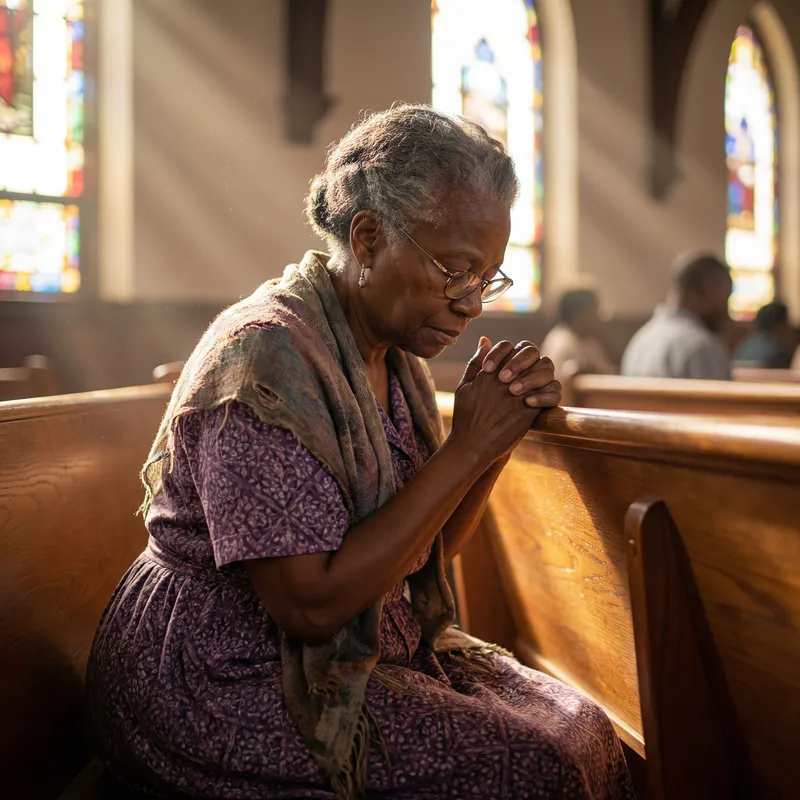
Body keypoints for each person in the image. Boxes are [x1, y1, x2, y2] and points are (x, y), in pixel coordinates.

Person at [87, 106, 633, 800]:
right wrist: (466, 448)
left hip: (341, 640)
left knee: (581, 724)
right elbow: (310, 609)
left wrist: (495, 438)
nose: (471, 304)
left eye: (488, 277)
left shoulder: (390, 353)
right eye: (456, 270)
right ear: (369, 237)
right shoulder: (266, 361)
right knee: (535, 762)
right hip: (214, 675)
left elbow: (430, 549)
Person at [621, 253, 732, 380]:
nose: (726, 311)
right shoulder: (701, 347)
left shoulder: (641, 339)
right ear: (702, 290)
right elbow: (718, 398)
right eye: (725, 297)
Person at [541, 288, 617, 377]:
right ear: (580, 314)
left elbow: (608, 374)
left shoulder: (591, 344)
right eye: (594, 311)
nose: (598, 317)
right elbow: (561, 378)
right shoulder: (561, 341)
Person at [735, 301, 795, 368]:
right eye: (788, 322)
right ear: (780, 326)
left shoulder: (746, 344)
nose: (790, 327)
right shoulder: (776, 352)